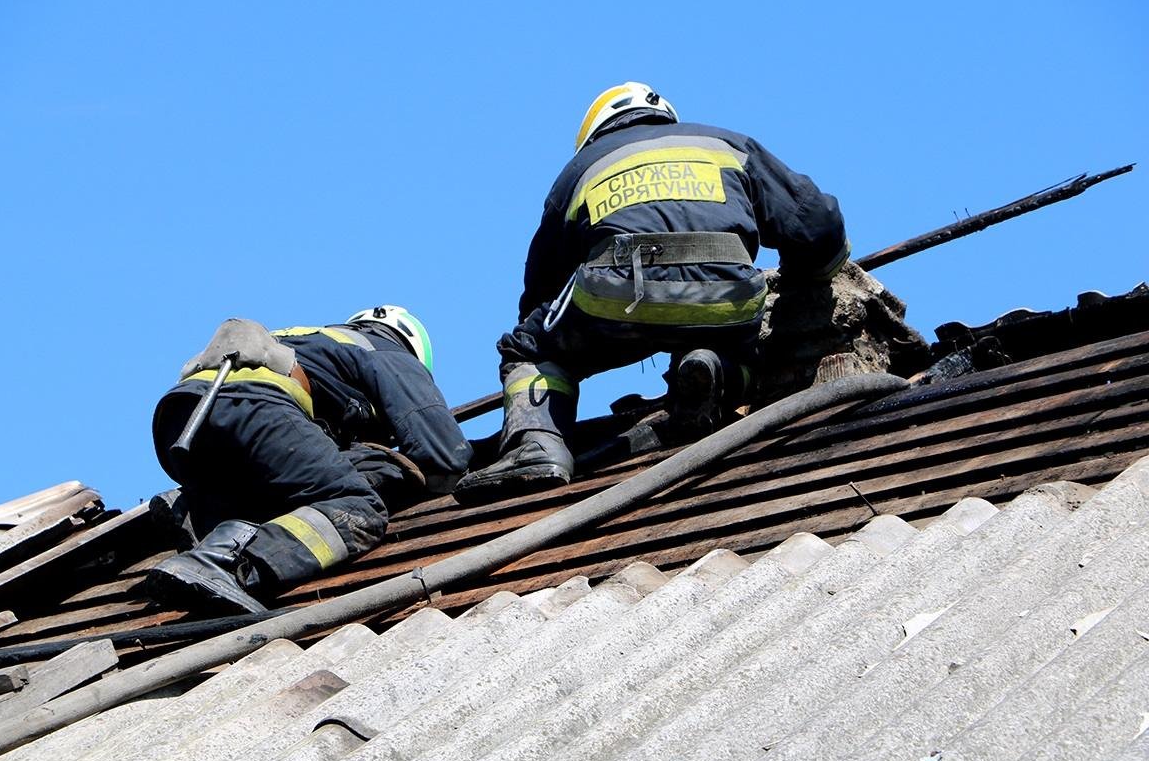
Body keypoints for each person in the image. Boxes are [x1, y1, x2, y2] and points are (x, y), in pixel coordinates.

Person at [453, 82, 848, 505]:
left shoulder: (581, 169)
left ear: (594, 132)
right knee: (746, 347)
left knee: (527, 347)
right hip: (727, 294)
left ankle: (537, 447)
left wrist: (553, 336)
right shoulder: (727, 144)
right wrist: (810, 275)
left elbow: (543, 290)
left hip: (617, 293)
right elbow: (817, 224)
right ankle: (714, 372)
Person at [146, 306, 472, 614]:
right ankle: (228, 563)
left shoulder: (314, 341)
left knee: (293, 498)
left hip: (179, 418)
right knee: (357, 506)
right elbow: (445, 457)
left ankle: (197, 511)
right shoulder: (386, 350)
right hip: (255, 407)